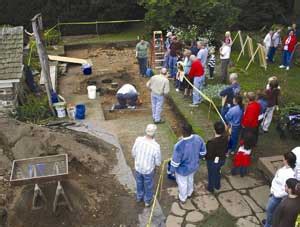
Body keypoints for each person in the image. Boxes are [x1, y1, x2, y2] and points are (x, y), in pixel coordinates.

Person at [170, 123, 207, 203]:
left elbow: (175, 163)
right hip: (194, 166)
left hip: (182, 170)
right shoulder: (198, 138)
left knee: (182, 183)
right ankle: (190, 192)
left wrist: (172, 171)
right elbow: (203, 152)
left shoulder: (179, 146)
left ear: (182, 132)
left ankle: (183, 198)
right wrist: (197, 158)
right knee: (190, 179)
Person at [263, 152, 297, 227]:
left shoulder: (289, 174)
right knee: (271, 211)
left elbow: (286, 190)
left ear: (287, 160)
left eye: (284, 158)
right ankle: (269, 221)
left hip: (276, 197)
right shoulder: (285, 168)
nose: (282, 160)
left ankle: (268, 225)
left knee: (269, 210)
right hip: (273, 193)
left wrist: (276, 194)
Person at [132, 124, 161, 207]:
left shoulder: (138, 140)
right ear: (154, 133)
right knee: (148, 185)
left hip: (138, 168)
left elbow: (133, 153)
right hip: (148, 170)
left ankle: (139, 197)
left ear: (146, 131)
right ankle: (147, 201)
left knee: (139, 182)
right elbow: (158, 161)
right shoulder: (156, 146)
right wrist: (157, 166)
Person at [205, 121, 228, 193]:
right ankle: (217, 185)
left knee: (211, 174)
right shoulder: (226, 137)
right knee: (218, 171)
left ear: (214, 130)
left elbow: (208, 155)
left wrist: (204, 157)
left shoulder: (211, 142)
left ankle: (210, 188)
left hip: (212, 162)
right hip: (222, 159)